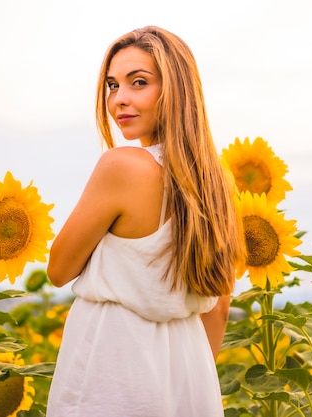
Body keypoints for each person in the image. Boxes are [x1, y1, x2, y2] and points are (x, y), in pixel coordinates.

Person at [45, 25, 245, 417]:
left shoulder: (122, 166)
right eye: (112, 85)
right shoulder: (219, 185)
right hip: (190, 372)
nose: (120, 99)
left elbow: (58, 269)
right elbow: (219, 307)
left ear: (176, 90)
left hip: (113, 367)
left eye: (138, 82)